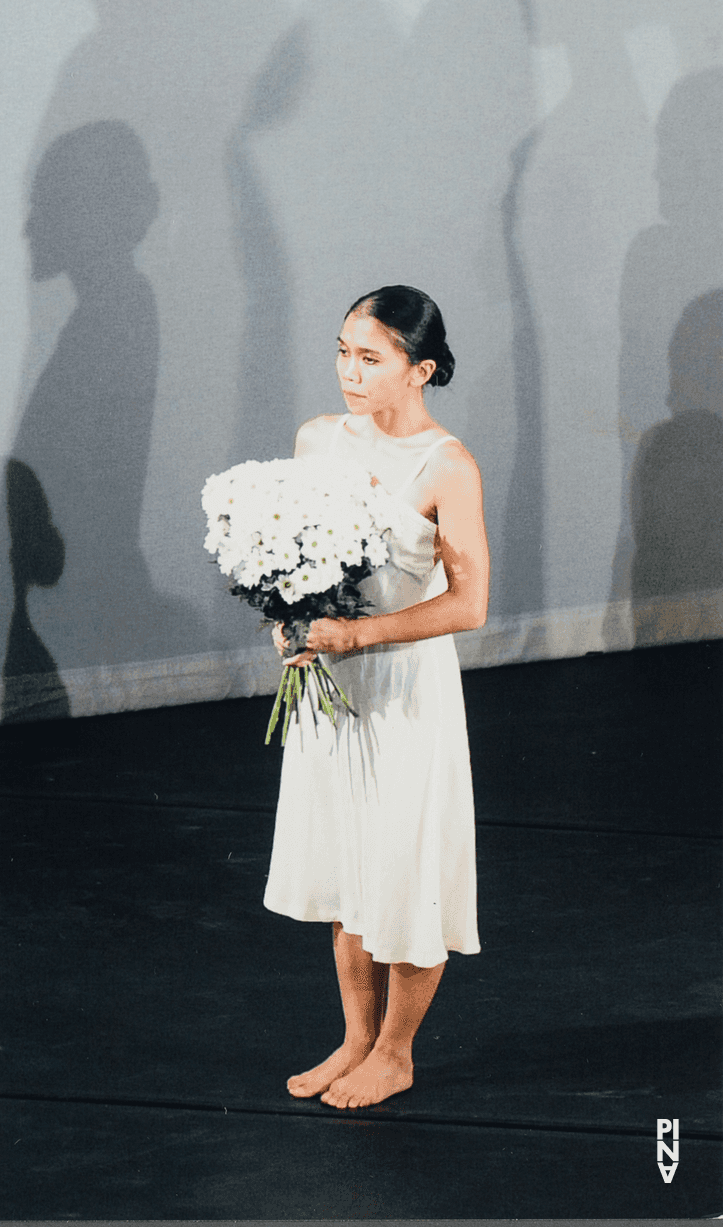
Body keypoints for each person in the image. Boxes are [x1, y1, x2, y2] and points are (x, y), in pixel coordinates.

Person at [265, 285, 488, 1109]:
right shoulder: (316, 439)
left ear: (418, 368)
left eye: (370, 358)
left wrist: (357, 637)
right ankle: (355, 1038)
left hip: (402, 690)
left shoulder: (445, 464)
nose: (347, 372)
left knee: (403, 870)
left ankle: (395, 1051)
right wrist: (286, 629)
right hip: (329, 689)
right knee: (345, 866)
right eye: (341, 351)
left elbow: (468, 604)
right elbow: (287, 560)